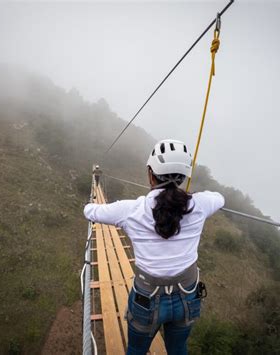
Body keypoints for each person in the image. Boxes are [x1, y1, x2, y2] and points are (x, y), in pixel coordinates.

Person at [83, 139, 224, 355]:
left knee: (136, 350)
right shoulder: (200, 205)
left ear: (151, 173)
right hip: (188, 295)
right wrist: (195, 197)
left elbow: (91, 211)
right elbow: (219, 198)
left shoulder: (130, 210)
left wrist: (90, 203)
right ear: (184, 177)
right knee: (178, 349)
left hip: (146, 299)